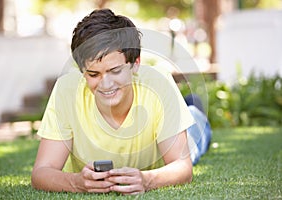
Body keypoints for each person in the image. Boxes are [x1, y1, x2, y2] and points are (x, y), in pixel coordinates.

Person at [31, 8, 211, 195]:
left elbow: (183, 167)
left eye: (115, 71)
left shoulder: (160, 83)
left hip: (167, 140)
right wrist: (77, 182)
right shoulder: (66, 90)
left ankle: (194, 111)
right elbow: (41, 173)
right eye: (93, 74)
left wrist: (147, 179)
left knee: (194, 142)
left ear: (135, 64)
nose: (106, 84)